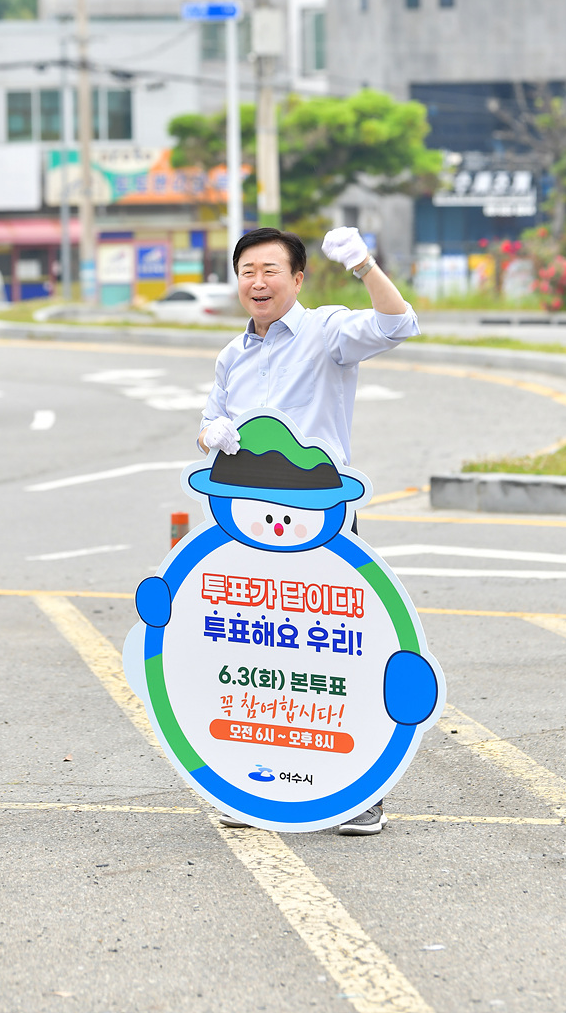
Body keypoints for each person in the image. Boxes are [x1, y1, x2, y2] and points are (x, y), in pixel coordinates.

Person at [198, 225, 420, 834]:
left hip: (324, 517)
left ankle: (362, 792)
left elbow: (398, 325)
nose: (257, 282)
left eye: (270, 270)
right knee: (261, 655)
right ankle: (257, 787)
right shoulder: (232, 355)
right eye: (247, 270)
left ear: (297, 279)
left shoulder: (327, 332)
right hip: (248, 519)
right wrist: (212, 433)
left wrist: (364, 266)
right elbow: (210, 423)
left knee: (345, 652)